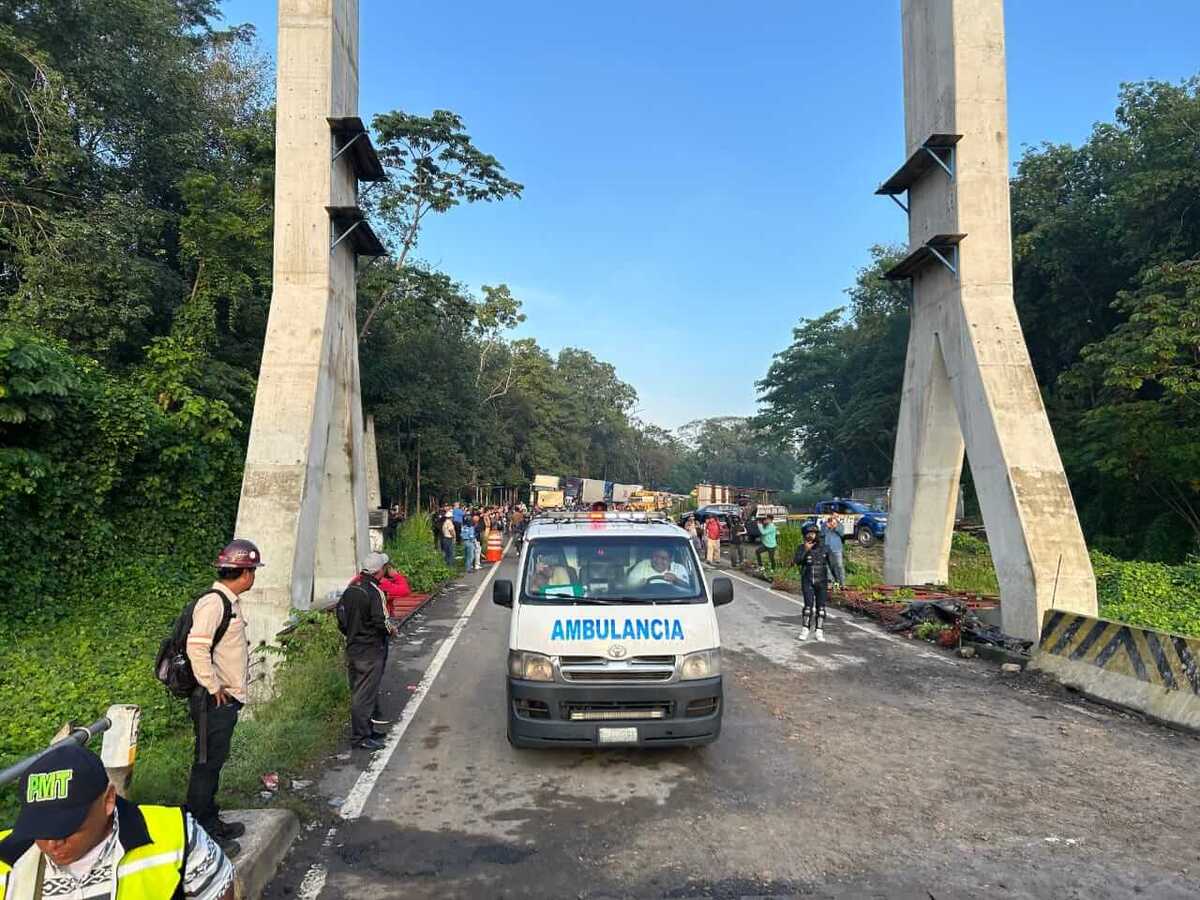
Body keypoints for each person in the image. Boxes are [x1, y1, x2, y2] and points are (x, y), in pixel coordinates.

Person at [0, 744, 236, 899]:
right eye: (38, 829)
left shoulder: (175, 834)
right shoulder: (6, 861)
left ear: (108, 800)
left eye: (67, 829)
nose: (52, 843)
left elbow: (219, 892)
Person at [185, 539, 260, 849]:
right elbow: (196, 647)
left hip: (223, 699)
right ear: (243, 572)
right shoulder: (215, 603)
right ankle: (199, 829)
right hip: (212, 700)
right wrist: (214, 686)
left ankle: (209, 818)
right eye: (252, 570)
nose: (253, 576)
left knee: (214, 761)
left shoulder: (228, 601)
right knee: (206, 764)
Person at [342, 552, 392, 750]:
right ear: (379, 571)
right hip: (370, 649)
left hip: (354, 647)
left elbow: (341, 617)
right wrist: (390, 631)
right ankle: (361, 737)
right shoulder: (374, 591)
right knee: (364, 695)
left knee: (359, 691)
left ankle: (368, 731)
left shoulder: (351, 589)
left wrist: (353, 633)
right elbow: (381, 621)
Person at [794, 528, 834, 641]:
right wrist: (806, 550)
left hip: (822, 580)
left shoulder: (825, 548)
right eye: (808, 534)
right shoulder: (801, 548)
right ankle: (805, 629)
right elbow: (796, 561)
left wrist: (838, 581)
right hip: (807, 580)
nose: (811, 536)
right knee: (808, 607)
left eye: (813, 533)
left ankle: (819, 630)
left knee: (821, 608)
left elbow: (834, 565)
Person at [821, 513, 846, 588]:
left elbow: (842, 534)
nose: (834, 517)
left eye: (836, 516)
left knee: (839, 566)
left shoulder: (840, 525)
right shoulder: (824, 524)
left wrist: (835, 527)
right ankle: (830, 583)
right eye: (833, 516)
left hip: (837, 548)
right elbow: (822, 534)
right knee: (828, 566)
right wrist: (827, 526)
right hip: (827, 548)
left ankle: (842, 583)